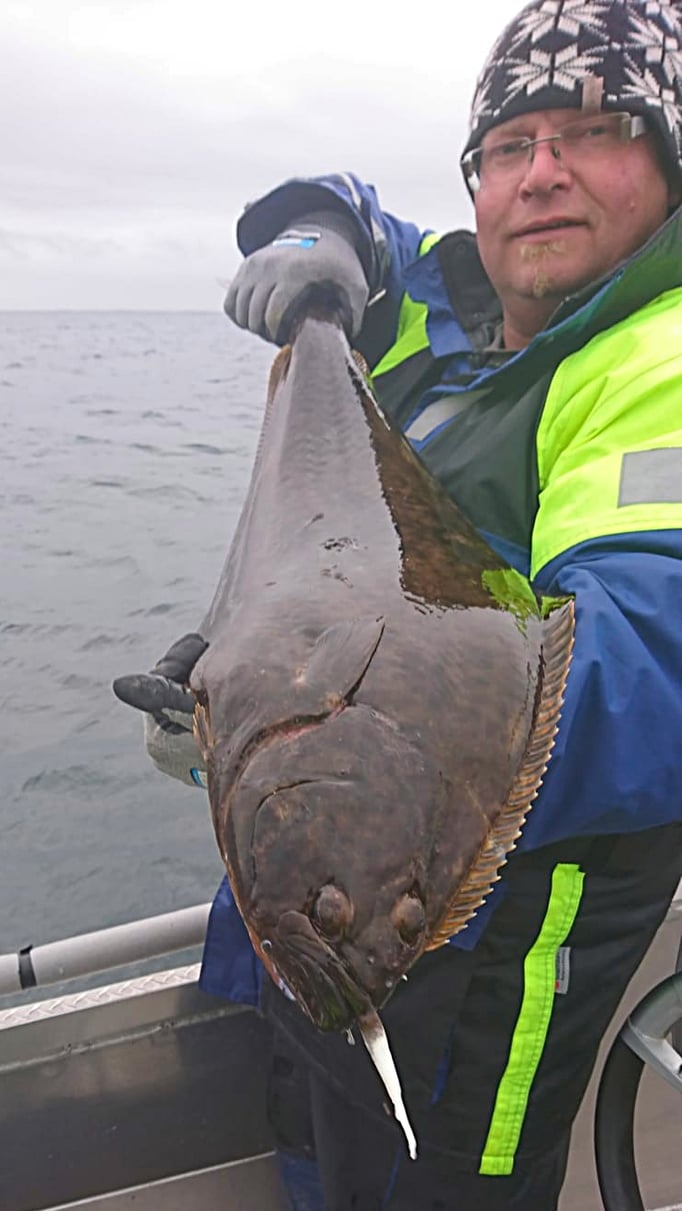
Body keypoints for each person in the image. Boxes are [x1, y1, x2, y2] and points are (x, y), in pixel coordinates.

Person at [115, 1, 682, 1207]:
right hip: (330, 901)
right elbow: (360, 218)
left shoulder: (657, 358)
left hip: (505, 955)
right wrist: (318, 236)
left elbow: (641, 671)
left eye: (592, 130)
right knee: (320, 1158)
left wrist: (262, 703)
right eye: (506, 145)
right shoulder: (450, 305)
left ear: (668, 160)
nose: (540, 173)